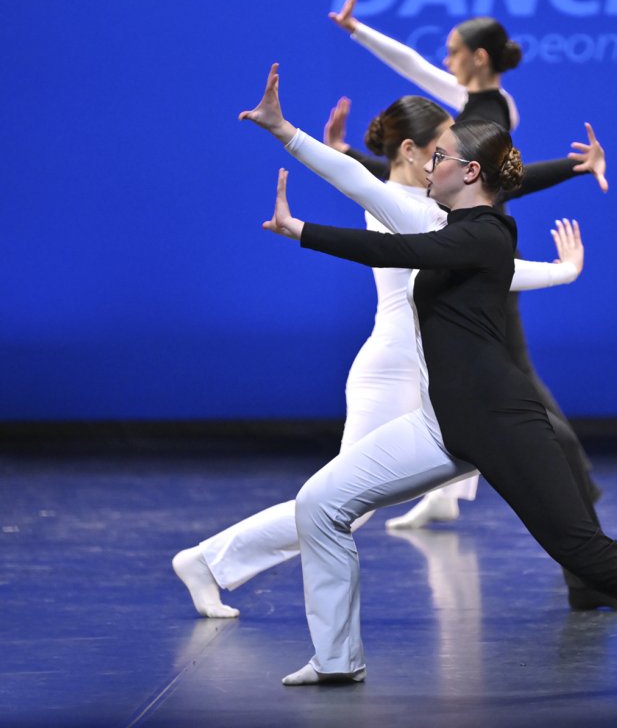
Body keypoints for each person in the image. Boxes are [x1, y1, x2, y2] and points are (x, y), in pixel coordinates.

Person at [252, 64, 617, 689]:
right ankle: (337, 659)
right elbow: (367, 193)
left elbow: (397, 252)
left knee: (583, 548)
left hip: (501, 421)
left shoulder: (483, 234)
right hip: (444, 422)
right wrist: (285, 132)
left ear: (469, 172)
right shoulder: (454, 226)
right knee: (320, 504)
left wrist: (301, 232)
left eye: (442, 158)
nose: (431, 166)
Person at [172, 87, 591, 619]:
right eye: (440, 149)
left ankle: (211, 563)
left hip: (422, 368)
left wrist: (564, 271)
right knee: (342, 505)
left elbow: (495, 266)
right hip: (393, 369)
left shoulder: (434, 208)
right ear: (412, 152)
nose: (449, 161)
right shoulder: (405, 204)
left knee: (379, 490)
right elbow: (351, 176)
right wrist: (284, 131)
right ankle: (207, 562)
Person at [328, 0, 617, 611]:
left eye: (453, 51)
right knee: (522, 414)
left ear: (477, 57)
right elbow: (413, 81)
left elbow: (494, 179)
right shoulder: (478, 106)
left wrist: (570, 173)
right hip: (474, 265)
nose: (443, 60)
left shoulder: (485, 111)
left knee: (534, 416)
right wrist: (358, 32)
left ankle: (583, 544)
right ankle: (575, 539)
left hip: (479, 269)